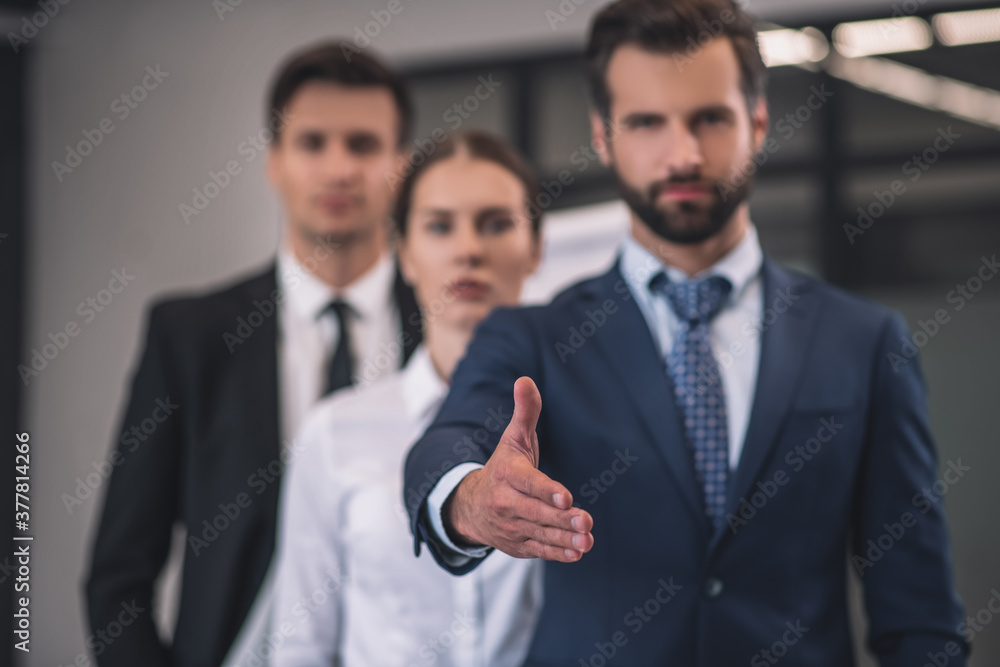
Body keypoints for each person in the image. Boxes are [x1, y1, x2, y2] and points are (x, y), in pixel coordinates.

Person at [404, 1, 968, 665]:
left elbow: (920, 615)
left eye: (709, 118)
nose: (683, 155)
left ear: (757, 122)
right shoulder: (533, 337)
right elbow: (447, 441)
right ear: (605, 135)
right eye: (647, 123)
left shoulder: (866, 342)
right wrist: (471, 499)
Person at [85, 42, 423, 667]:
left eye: (364, 144)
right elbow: (117, 579)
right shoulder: (188, 336)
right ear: (274, 161)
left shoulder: (445, 330)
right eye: (312, 142)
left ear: (400, 164)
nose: (339, 168)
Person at [268, 129, 544, 666]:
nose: (469, 249)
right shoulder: (335, 433)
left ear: (535, 248)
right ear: (405, 254)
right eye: (440, 226)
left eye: (496, 224)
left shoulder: (583, 422)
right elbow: (300, 646)